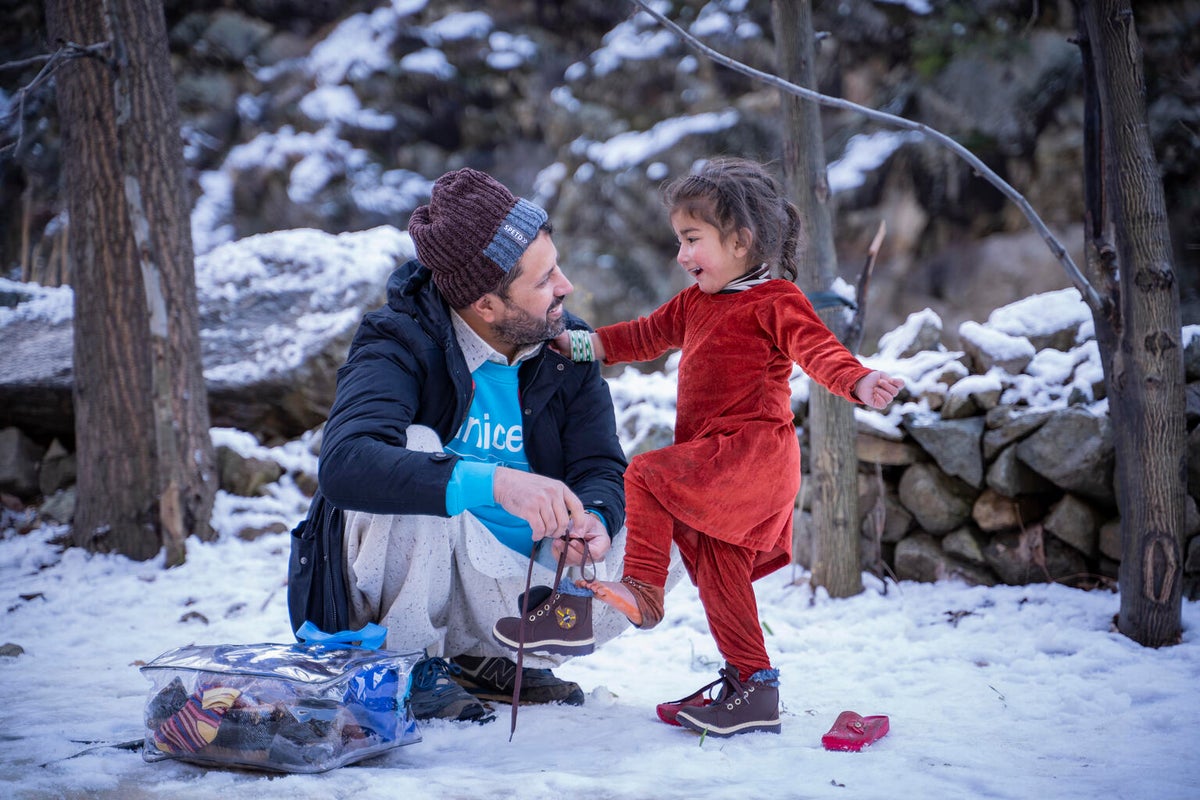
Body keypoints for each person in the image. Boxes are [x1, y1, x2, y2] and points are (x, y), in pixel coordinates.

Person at [555, 157, 904, 738]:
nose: (682, 255)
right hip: (722, 458)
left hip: (751, 452)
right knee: (720, 573)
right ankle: (753, 687)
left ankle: (644, 589)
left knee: (644, 473)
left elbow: (818, 350)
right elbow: (642, 336)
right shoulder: (695, 304)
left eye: (692, 239)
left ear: (741, 240)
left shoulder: (774, 299)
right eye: (678, 241)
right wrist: (581, 347)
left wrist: (858, 380)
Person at [287, 167, 648, 724]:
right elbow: (345, 463)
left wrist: (596, 514)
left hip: (518, 583)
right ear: (486, 304)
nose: (565, 287)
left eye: (557, 267)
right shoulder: (398, 338)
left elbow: (600, 463)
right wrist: (494, 480)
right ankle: (408, 663)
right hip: (407, 583)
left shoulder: (564, 343)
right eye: (545, 278)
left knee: (664, 494)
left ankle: (487, 660)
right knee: (414, 446)